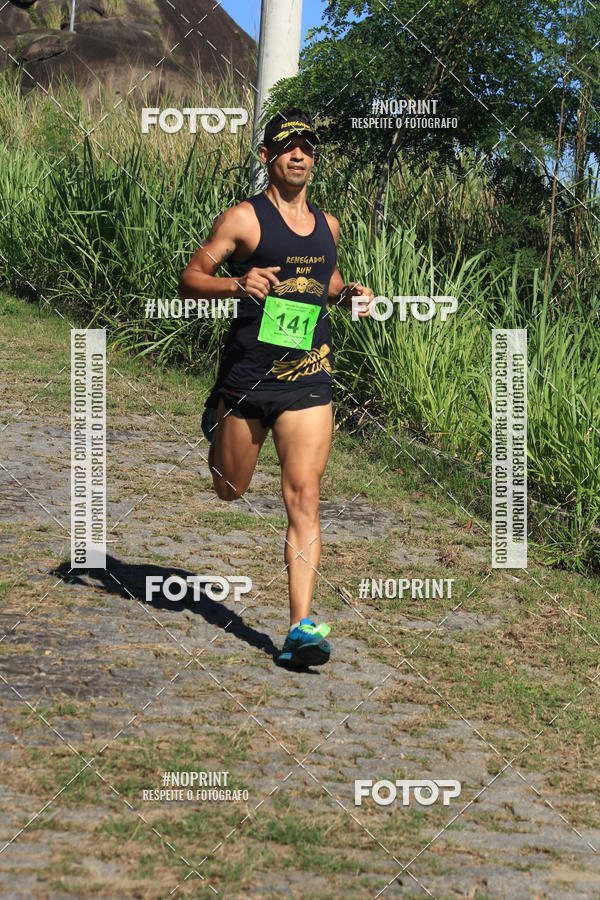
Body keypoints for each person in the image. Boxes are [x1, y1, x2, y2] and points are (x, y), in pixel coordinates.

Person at [178, 108, 373, 668]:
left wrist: (348, 293)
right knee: (229, 489)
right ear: (266, 156)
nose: (299, 154)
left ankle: (299, 629)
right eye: (288, 146)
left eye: (308, 146)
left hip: (309, 379)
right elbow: (191, 277)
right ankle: (218, 415)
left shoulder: (330, 226)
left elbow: (325, 278)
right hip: (247, 378)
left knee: (304, 496)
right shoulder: (244, 219)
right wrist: (236, 282)